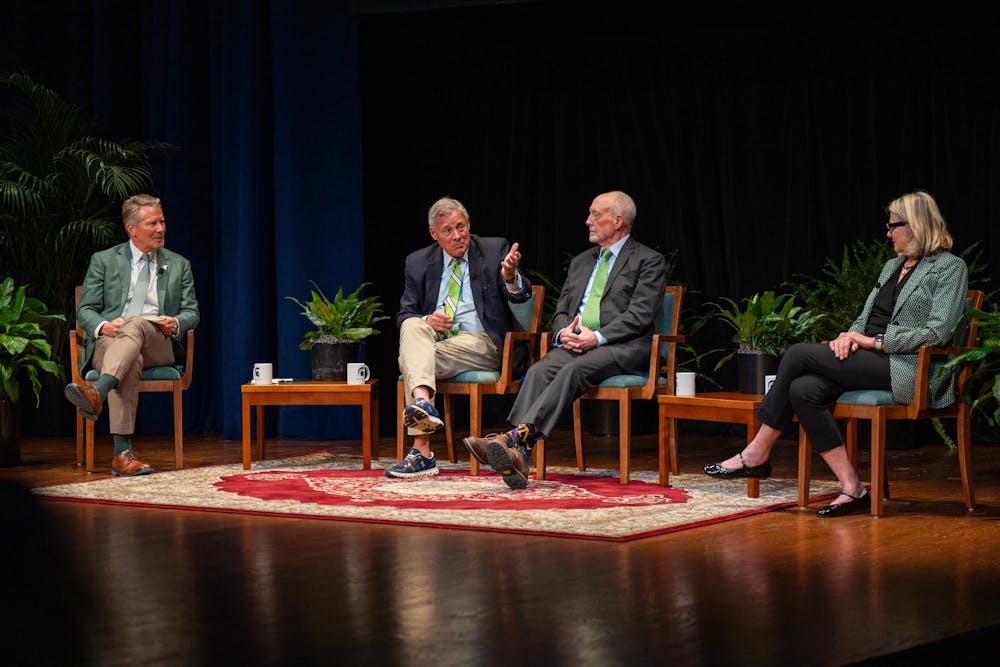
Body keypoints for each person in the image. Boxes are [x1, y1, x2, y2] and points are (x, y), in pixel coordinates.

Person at [704, 190, 968, 517]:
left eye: (893, 227)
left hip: (909, 365)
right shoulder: (891, 267)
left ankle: (757, 453)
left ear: (915, 225)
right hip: (869, 358)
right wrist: (848, 336)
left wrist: (875, 342)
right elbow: (866, 316)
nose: (888, 234)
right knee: (803, 390)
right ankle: (853, 488)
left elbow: (937, 332)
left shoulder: (949, 267)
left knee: (799, 354)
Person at [463, 191, 666, 489]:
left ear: (618, 220)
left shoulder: (648, 260)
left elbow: (641, 315)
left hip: (624, 348)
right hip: (576, 344)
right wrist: (563, 333)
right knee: (539, 370)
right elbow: (561, 310)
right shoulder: (582, 262)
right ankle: (518, 457)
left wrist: (596, 337)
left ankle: (512, 438)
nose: (588, 221)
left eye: (596, 215)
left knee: (574, 371)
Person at [386, 196, 531, 479]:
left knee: (411, 361)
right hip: (440, 344)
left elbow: (520, 295)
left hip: (484, 342)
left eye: (461, 227)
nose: (457, 236)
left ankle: (422, 450)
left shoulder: (492, 250)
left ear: (468, 224)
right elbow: (405, 315)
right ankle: (423, 405)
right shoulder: (417, 262)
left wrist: (511, 275)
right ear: (434, 234)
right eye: (448, 231)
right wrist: (429, 319)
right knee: (414, 326)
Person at [63, 194, 200, 477]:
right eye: (153, 223)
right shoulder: (103, 261)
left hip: (158, 343)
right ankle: (122, 455)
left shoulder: (178, 264)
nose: (161, 229)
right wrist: (103, 326)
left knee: (136, 324)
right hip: (111, 343)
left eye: (162, 221)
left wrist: (174, 321)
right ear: (132, 229)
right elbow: (86, 310)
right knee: (129, 359)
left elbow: (192, 313)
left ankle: (97, 392)